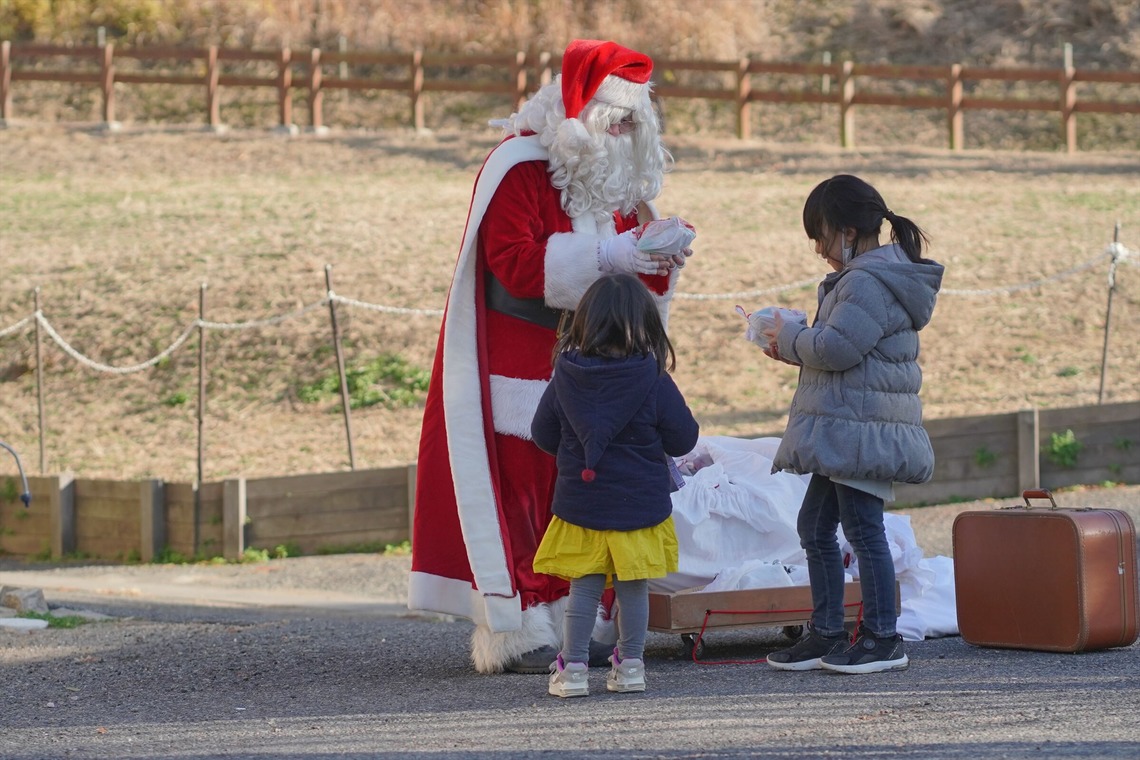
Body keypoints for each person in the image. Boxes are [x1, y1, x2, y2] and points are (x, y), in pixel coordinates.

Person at [407, 39, 694, 674]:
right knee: (524, 487)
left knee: (585, 489)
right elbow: (509, 261)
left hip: (596, 363)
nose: (622, 132)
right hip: (521, 358)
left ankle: (577, 625)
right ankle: (516, 627)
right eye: (614, 119)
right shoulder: (518, 164)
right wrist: (612, 258)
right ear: (578, 112)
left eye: (632, 122)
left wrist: (654, 258)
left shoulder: (612, 176)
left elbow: (625, 274)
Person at [747, 174, 944, 674]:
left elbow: (836, 348)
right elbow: (843, 352)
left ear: (849, 232)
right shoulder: (865, 279)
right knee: (815, 527)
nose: (817, 248)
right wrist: (793, 347)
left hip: (863, 429)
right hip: (850, 428)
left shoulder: (865, 282)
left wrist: (793, 336)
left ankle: (882, 638)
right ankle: (828, 633)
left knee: (862, 528)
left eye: (821, 234)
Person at [530, 273, 700, 697]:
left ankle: (572, 669)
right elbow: (684, 438)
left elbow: (542, 433)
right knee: (633, 587)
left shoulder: (565, 376)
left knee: (583, 588)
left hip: (582, 502)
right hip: (639, 505)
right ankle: (631, 666)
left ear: (584, 321)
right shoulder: (653, 378)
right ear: (644, 323)